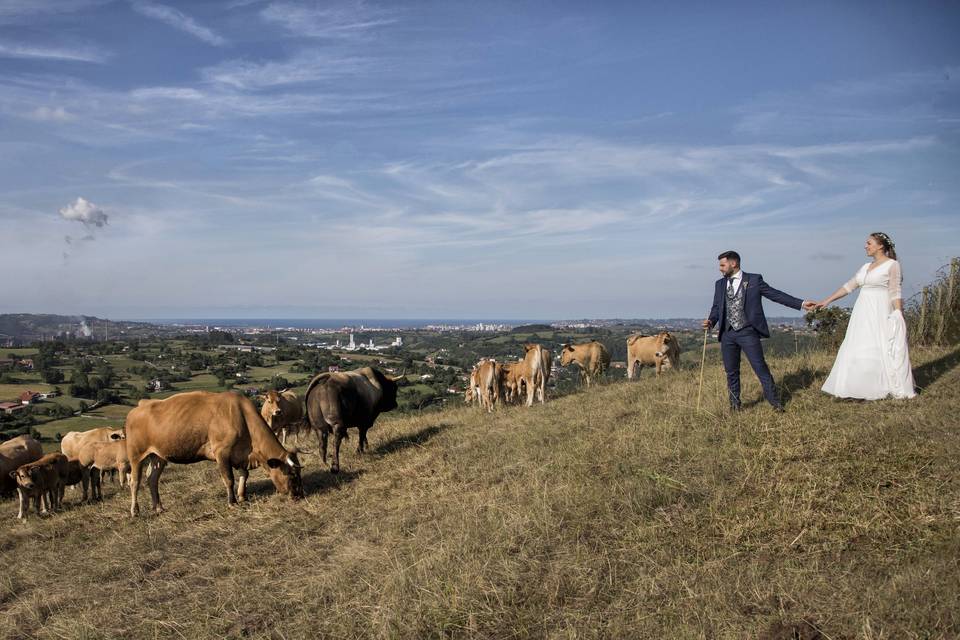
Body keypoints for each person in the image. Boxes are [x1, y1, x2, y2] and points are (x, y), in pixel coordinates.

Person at [703, 251, 817, 412]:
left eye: (722, 265)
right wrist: (711, 321)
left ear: (733, 264)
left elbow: (776, 295)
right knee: (731, 372)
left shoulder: (754, 280)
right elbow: (716, 307)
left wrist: (801, 303)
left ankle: (776, 404)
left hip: (748, 332)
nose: (720, 269)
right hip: (727, 334)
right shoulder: (719, 284)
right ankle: (735, 406)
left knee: (760, 368)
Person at [816, 233, 916, 400]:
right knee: (858, 344)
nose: (865, 246)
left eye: (869, 243)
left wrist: (898, 313)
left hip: (880, 311)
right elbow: (849, 286)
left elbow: (895, 291)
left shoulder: (892, 265)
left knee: (878, 345)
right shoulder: (865, 267)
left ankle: (880, 386)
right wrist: (826, 301)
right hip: (862, 312)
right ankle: (856, 387)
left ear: (880, 246)